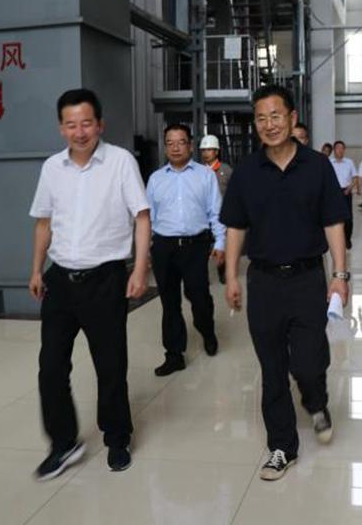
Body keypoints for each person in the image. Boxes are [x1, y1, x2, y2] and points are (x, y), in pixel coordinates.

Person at [221, 84, 350, 481]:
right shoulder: (246, 172)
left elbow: (333, 222)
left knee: (308, 363)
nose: (269, 124)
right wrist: (231, 275)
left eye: (276, 115)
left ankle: (316, 400)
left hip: (308, 279)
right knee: (272, 367)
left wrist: (340, 276)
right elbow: (235, 227)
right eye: (261, 118)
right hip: (263, 282)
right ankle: (282, 446)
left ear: (292, 118)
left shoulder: (317, 166)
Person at [28, 88, 151, 479]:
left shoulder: (120, 162)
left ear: (100, 125)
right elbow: (44, 222)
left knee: (110, 365)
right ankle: (63, 442)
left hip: (105, 280)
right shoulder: (52, 168)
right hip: (60, 279)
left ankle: (117, 437)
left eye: (86, 123)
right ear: (61, 128)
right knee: (50, 367)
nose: (79, 132)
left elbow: (142, 217)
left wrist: (139, 269)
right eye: (71, 125)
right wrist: (36, 269)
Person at [146, 123, 225, 376]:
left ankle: (207, 330)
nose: (175, 147)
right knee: (169, 302)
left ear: (190, 145)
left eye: (181, 142)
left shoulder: (205, 176)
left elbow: (216, 212)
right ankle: (174, 354)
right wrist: (146, 250)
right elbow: (148, 218)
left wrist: (220, 243)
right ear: (165, 147)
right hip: (163, 246)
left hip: (195, 245)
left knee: (198, 296)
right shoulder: (156, 179)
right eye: (170, 143)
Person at [199, 134, 233, 284]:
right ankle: (202, 275)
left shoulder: (226, 170)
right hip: (203, 215)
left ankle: (222, 270)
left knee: (223, 244)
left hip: (222, 214)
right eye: (203, 150)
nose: (206, 153)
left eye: (209, 150)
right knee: (203, 247)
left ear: (217, 151)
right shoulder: (198, 171)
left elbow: (234, 193)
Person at [329, 140, 358, 250]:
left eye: (342, 148)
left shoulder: (349, 162)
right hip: (333, 193)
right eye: (337, 148)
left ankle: (347, 239)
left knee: (348, 218)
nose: (340, 150)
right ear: (334, 150)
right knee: (335, 217)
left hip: (346, 191)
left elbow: (355, 178)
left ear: (344, 150)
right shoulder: (329, 162)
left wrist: (349, 188)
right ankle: (336, 240)